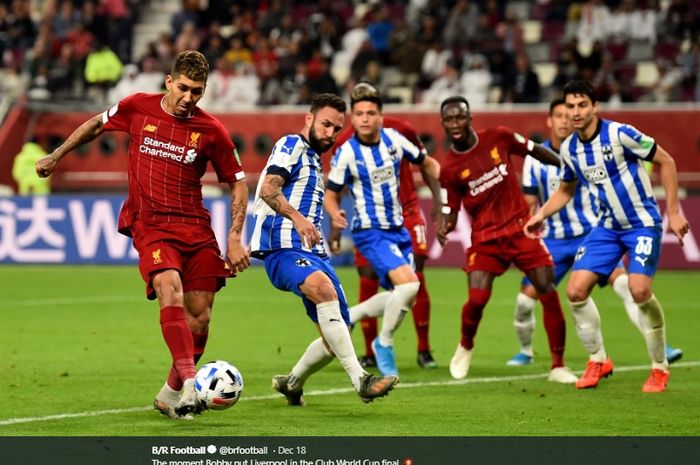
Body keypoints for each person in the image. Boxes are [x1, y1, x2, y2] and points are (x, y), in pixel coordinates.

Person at [35, 50, 250, 419]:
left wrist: (234, 236)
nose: (188, 98)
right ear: (169, 81)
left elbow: (238, 183)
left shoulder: (211, 130)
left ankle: (169, 394)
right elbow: (95, 125)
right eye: (183, 88)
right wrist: (56, 155)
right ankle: (190, 382)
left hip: (195, 228)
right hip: (152, 225)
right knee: (169, 286)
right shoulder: (138, 107)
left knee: (200, 317)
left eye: (197, 92)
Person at [524, 80, 690, 393]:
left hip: (642, 224)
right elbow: (565, 190)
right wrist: (540, 215)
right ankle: (598, 359)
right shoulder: (570, 148)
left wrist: (674, 211)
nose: (575, 112)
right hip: (607, 228)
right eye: (570, 106)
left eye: (582, 105)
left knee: (639, 291)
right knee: (575, 290)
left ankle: (659, 367)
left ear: (595, 107)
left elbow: (666, 161)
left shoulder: (620, 134)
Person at [249, 93, 398, 406]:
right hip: (283, 248)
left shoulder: (316, 163)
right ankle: (362, 380)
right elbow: (267, 190)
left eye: (336, 128)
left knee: (335, 337)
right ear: (309, 119)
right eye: (325, 124)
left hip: (314, 255)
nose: (330, 133)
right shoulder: (291, 145)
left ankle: (292, 382)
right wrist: (298, 218)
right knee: (324, 289)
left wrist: (328, 230)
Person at [437, 96, 578, 384]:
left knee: (546, 289)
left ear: (470, 117)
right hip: (486, 238)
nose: (454, 124)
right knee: (477, 299)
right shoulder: (449, 168)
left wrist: (565, 167)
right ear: (443, 123)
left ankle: (558, 365)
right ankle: (466, 345)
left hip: (520, 229)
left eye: (459, 117)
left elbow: (535, 150)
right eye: (449, 120)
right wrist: (444, 227)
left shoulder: (499, 137)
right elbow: (450, 209)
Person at [325, 88, 441, 377]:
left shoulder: (395, 139)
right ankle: (383, 342)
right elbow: (331, 194)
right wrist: (334, 217)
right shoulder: (346, 152)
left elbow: (425, 160)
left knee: (401, 295)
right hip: (369, 232)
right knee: (411, 285)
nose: (365, 119)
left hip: (398, 229)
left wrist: (444, 192)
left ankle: (349, 316)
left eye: (371, 113)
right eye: (359, 114)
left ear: (381, 117)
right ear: (352, 117)